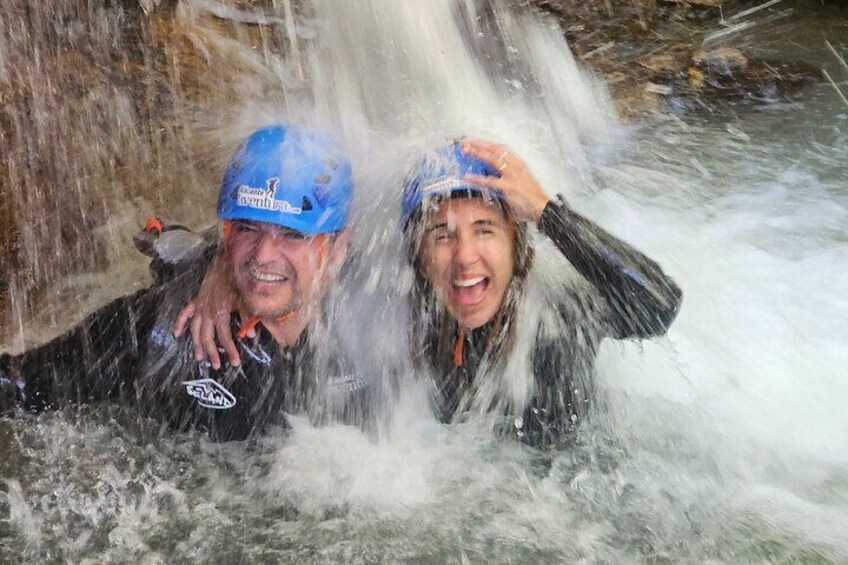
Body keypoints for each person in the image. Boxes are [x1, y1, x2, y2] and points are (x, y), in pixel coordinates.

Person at [0, 124, 372, 441]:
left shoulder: (380, 320)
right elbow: (16, 385)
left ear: (339, 245)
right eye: (246, 228)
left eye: (292, 234)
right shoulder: (157, 329)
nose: (263, 255)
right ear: (227, 234)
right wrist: (214, 266)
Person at [400, 139, 682, 446]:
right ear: (420, 257)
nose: (465, 256)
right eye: (442, 235)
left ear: (515, 246)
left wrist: (546, 213)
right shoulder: (397, 324)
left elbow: (659, 306)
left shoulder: (558, 311)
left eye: (484, 230)